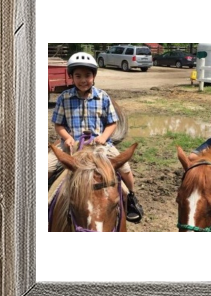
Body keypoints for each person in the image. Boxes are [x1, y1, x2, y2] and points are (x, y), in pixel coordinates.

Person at [48, 51, 143, 223]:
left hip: (99, 145)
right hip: (72, 145)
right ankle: (44, 202)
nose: (83, 80)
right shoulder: (64, 98)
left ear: (94, 76)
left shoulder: (103, 97)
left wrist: (103, 137)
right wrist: (67, 137)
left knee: (125, 168)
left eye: (87, 75)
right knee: (45, 168)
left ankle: (132, 199)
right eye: (78, 76)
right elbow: (58, 124)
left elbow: (112, 123)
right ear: (71, 77)